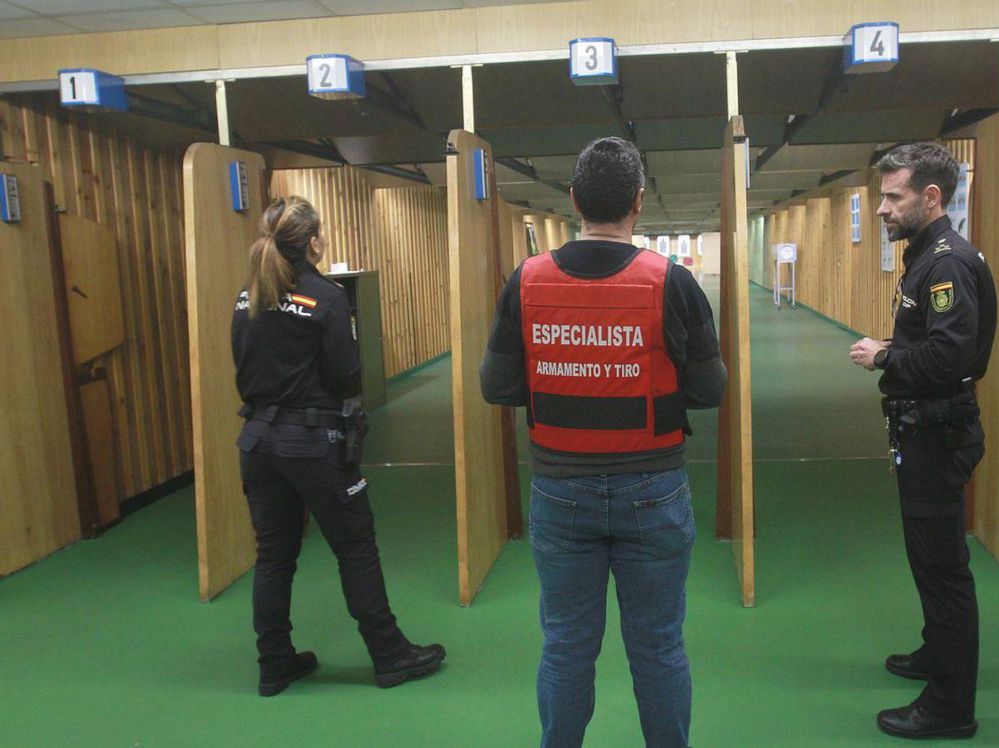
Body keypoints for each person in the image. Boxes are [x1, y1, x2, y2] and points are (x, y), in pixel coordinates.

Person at [480, 137, 726, 748]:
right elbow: (710, 387)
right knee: (659, 646)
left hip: (560, 491)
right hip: (654, 488)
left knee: (565, 646)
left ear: (573, 200)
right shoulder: (673, 281)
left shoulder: (527, 280)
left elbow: (496, 384)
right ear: (638, 204)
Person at [231, 196, 445, 696]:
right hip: (311, 444)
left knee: (273, 556)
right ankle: (390, 656)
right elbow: (347, 374)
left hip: (258, 441)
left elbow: (243, 367)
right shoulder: (325, 298)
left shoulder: (249, 295)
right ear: (312, 241)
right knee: (355, 548)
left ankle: (275, 662)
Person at [849, 143, 997, 739]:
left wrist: (884, 354)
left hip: (939, 430)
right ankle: (939, 654)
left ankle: (949, 707)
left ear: (930, 196)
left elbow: (951, 354)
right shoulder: (928, 255)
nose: (882, 207)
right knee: (927, 558)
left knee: (943, 569)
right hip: (924, 428)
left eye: (893, 196)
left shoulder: (947, 263)